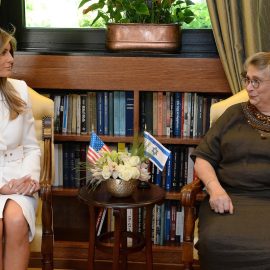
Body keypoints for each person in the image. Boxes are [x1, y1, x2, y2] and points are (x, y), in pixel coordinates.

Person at [191, 51, 270, 270]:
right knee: (215, 242)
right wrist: (215, 190)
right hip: (229, 199)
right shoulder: (233, 114)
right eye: (247, 79)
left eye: (256, 81)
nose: (248, 87)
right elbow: (203, 157)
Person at [0, 27, 40, 270]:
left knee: (15, 220)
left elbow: (32, 147)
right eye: (3, 53)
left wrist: (29, 179)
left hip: (18, 177)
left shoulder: (20, 90)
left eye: (11, 52)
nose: (11, 59)